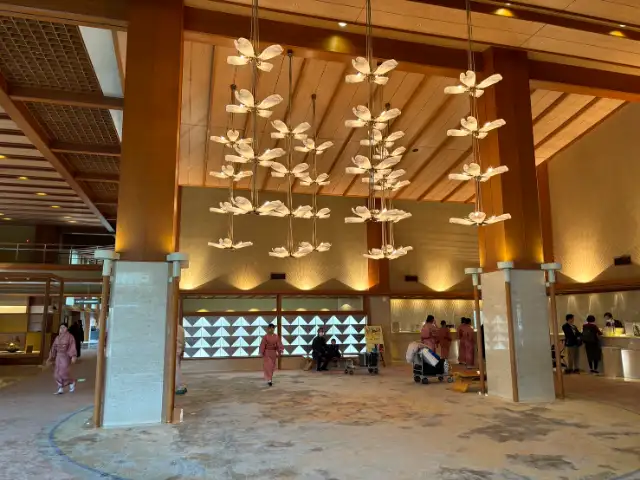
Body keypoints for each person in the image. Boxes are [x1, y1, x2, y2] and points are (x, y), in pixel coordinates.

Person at [46, 323, 77, 395]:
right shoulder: (57, 338)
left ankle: (71, 382)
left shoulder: (70, 337)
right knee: (56, 373)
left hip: (65, 356)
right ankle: (60, 388)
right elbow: (53, 348)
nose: (62, 329)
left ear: (67, 328)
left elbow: (72, 346)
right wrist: (50, 357)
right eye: (60, 328)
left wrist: (73, 356)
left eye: (64, 327)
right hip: (58, 357)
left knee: (63, 373)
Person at [176, 323, 187, 395]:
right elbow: (183, 341)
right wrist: (182, 349)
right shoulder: (180, 328)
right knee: (176, 367)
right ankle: (179, 386)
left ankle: (179, 386)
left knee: (175, 368)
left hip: (174, 349)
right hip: (177, 349)